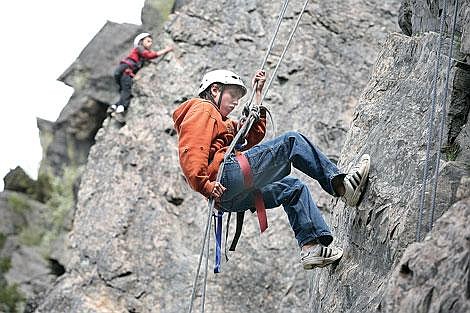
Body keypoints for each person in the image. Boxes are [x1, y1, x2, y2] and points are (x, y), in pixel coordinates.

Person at [172, 69, 370, 270]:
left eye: (239, 99)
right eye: (232, 95)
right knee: (292, 141)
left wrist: (258, 94)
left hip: (228, 198)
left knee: (293, 188)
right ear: (215, 90)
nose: (235, 103)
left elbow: (249, 136)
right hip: (227, 176)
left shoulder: (220, 122)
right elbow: (191, 151)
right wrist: (204, 184)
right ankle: (342, 186)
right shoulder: (202, 109)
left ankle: (311, 247)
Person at [110, 32, 173, 114]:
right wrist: (166, 50)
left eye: (151, 42)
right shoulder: (140, 49)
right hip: (126, 69)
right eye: (148, 41)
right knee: (126, 89)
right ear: (141, 41)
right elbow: (150, 55)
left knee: (124, 88)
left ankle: (116, 105)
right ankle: (122, 106)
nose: (150, 44)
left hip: (124, 71)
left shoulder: (140, 54)